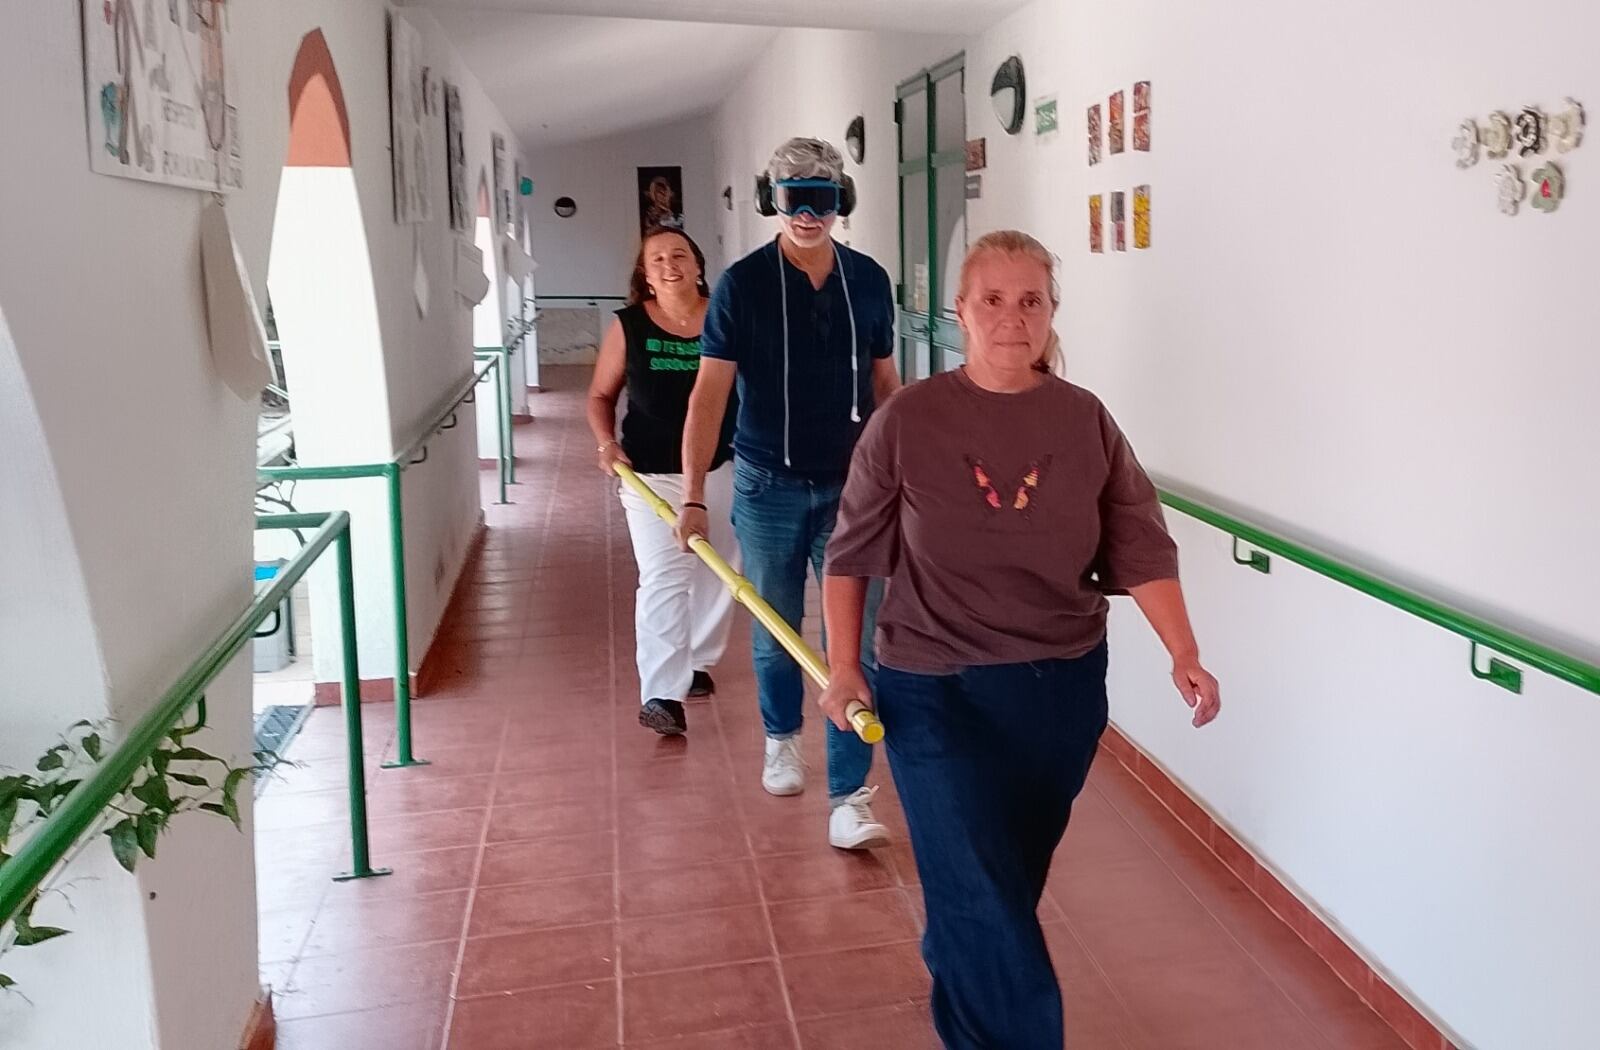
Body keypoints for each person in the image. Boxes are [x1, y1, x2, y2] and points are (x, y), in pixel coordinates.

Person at [819, 230, 1222, 1048]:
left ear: (1051, 315)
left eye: (1030, 300)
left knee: (997, 884)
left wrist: (1184, 651)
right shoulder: (909, 420)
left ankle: (960, 953)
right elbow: (852, 550)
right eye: (992, 300)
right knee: (981, 891)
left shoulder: (1084, 421)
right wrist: (842, 666)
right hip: (932, 682)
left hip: (1057, 689)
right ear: (959, 314)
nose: (1012, 316)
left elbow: (1140, 542)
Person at [677, 137, 900, 850]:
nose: (808, 213)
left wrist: (898, 476)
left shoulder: (868, 281)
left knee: (852, 640)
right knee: (775, 626)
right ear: (772, 200)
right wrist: (692, 495)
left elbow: (887, 387)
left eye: (823, 198)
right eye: (793, 197)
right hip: (766, 482)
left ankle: (850, 795)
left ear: (843, 203)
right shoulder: (741, 286)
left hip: (851, 491)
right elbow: (709, 396)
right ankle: (780, 737)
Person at [588, 225, 737, 735]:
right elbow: (599, 397)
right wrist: (607, 443)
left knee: (720, 572)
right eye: (657, 260)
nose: (669, 265)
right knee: (664, 576)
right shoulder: (629, 326)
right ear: (645, 276)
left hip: (724, 465)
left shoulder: (725, 316)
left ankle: (696, 660)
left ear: (698, 265)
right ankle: (661, 694)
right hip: (651, 474)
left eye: (679, 255)